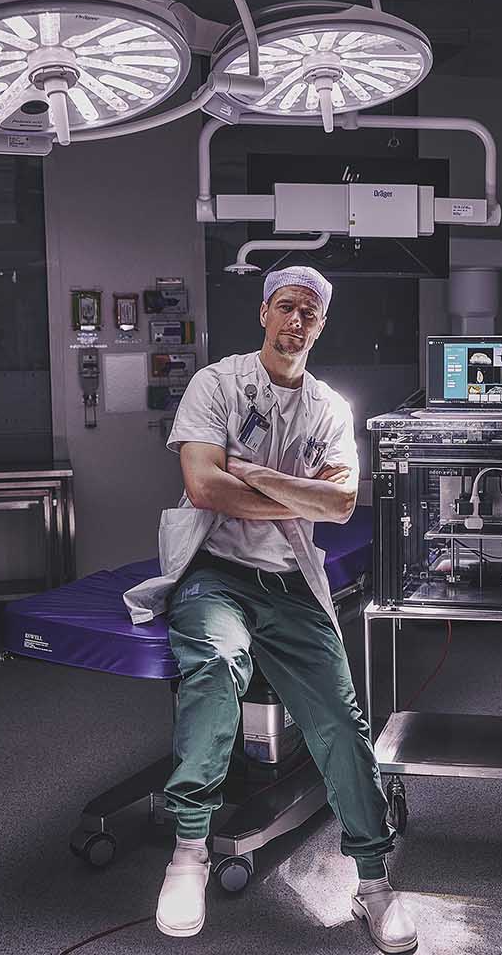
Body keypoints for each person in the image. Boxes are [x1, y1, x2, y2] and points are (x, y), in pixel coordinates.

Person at [124, 267, 413, 952]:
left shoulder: (329, 408)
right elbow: (203, 487)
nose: (296, 321)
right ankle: (189, 851)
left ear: (321, 325)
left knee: (340, 720)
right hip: (215, 573)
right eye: (286, 307)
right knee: (216, 664)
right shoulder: (217, 385)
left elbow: (343, 503)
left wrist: (251, 472)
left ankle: (373, 881)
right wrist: (296, 493)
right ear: (264, 313)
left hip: (289, 579)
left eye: (309, 313)